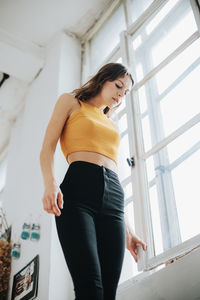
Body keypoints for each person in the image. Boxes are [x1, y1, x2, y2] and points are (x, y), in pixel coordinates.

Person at [40, 62, 147, 300]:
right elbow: (47, 147)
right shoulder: (70, 101)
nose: (121, 94)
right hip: (79, 190)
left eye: (125, 92)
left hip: (114, 196)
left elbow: (112, 170)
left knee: (109, 293)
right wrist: (50, 183)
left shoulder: (111, 121)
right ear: (102, 79)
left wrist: (128, 231)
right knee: (90, 287)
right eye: (118, 86)